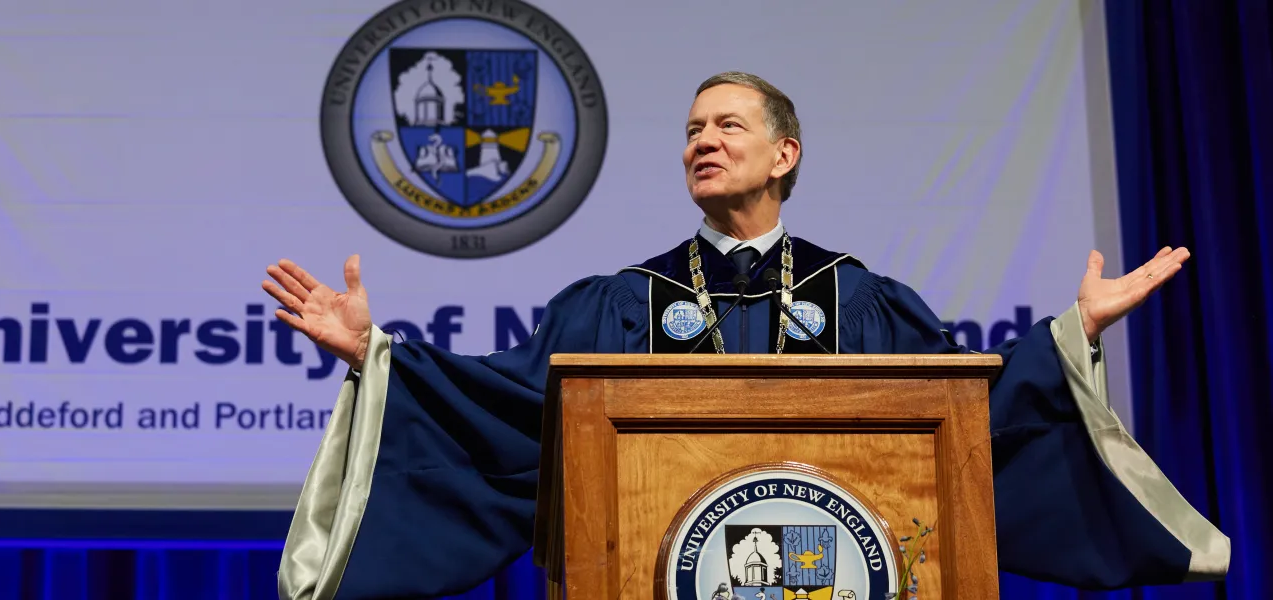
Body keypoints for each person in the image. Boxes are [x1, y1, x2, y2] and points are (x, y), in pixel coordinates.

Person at [264, 72, 1227, 599]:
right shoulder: (616, 306)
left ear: (784, 153)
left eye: (727, 124)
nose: (702, 141)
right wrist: (378, 355)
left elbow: (969, 419)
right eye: (690, 130)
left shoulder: (860, 301)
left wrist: (1071, 334)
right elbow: (509, 411)